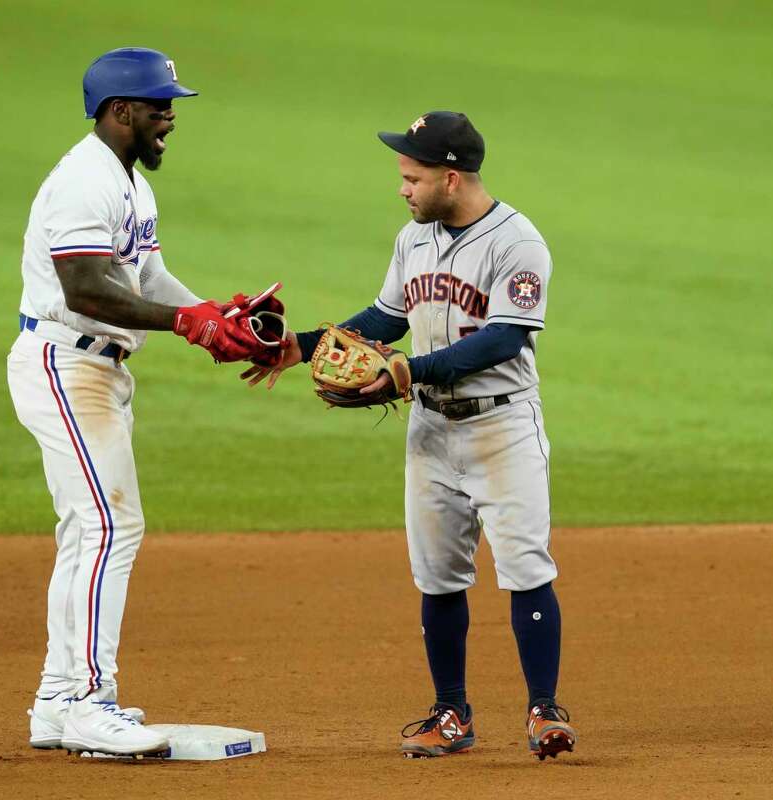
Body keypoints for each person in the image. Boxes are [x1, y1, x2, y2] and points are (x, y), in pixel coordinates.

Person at [243, 111, 578, 760]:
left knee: (526, 568)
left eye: (412, 176)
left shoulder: (518, 242)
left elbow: (503, 337)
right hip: (430, 429)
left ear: (450, 179)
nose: (402, 187)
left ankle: (544, 710)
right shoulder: (412, 239)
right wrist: (298, 348)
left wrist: (404, 371)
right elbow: (384, 319)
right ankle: (451, 714)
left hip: (502, 426)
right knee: (438, 578)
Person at [7, 47, 264, 758]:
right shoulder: (81, 183)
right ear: (120, 112)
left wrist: (215, 321)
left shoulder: (128, 182)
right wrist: (187, 324)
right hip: (66, 364)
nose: (171, 120)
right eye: (160, 107)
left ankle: (58, 699)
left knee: (85, 531)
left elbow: (144, 277)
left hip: (93, 370)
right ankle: (92, 701)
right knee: (110, 527)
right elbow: (85, 290)